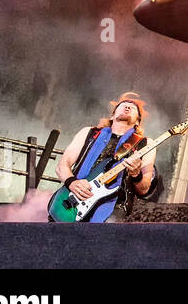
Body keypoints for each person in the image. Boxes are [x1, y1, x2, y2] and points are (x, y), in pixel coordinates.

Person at [55, 92, 163, 221]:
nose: (127, 107)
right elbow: (62, 165)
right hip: (73, 199)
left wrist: (136, 174)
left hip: (113, 209)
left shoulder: (146, 144)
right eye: (123, 105)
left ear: (138, 122)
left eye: (133, 107)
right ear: (112, 115)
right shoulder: (88, 133)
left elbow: (144, 189)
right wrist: (71, 182)